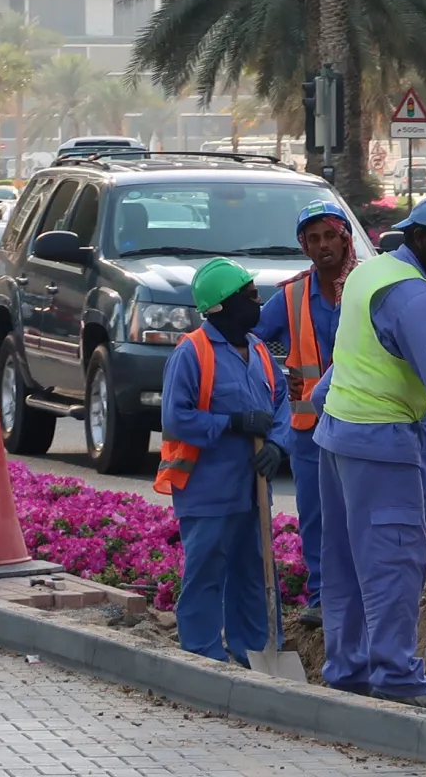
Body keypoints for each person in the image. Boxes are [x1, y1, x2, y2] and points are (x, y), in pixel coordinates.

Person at [309, 197, 426, 705]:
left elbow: (348, 357)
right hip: (380, 439)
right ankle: (396, 675)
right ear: (419, 238)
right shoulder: (413, 297)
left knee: (346, 561)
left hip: (337, 432)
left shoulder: (366, 273)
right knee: (394, 559)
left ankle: (347, 667)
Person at [155, 258, 293, 665]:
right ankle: (201, 654)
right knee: (206, 570)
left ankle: (253, 650)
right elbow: (175, 418)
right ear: (222, 306)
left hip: (252, 489)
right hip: (207, 488)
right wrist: (230, 423)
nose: (258, 303)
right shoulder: (192, 353)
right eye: (250, 297)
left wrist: (278, 445)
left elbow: (280, 406)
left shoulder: (259, 351)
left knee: (253, 572)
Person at [252, 200, 355, 627]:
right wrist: (278, 375)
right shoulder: (292, 295)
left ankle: (358, 595)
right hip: (308, 427)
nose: (323, 245)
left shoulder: (368, 285)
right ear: (304, 247)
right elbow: (250, 342)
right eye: (313, 239)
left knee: (358, 515)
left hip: (359, 421)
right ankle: (321, 598)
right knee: (316, 516)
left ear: (345, 238)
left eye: (330, 235)